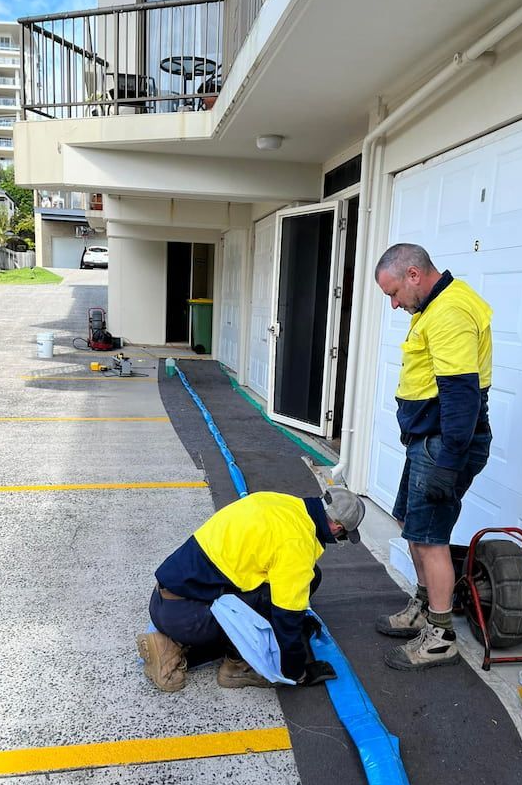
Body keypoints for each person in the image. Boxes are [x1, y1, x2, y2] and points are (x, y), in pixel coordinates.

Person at [373, 243, 493, 671]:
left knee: (431, 538)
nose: (393, 304)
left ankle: (440, 636)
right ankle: (424, 607)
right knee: (411, 523)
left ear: (413, 275)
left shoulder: (449, 313)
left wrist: (448, 463)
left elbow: (462, 396)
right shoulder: (432, 306)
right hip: (428, 441)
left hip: (444, 444)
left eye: (393, 293)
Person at [136, 487, 365, 692]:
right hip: (189, 617)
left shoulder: (282, 502)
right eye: (343, 535)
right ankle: (235, 666)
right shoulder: (296, 543)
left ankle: (171, 646)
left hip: (165, 600)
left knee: (307, 576)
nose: (339, 539)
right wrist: (296, 673)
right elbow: (286, 618)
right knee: (275, 609)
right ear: (337, 527)